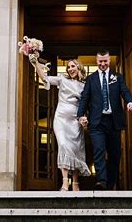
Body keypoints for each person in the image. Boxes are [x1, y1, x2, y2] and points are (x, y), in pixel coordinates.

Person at [77, 50, 132, 190]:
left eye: (105, 61)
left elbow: (124, 91)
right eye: (100, 61)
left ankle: (110, 184)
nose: (103, 64)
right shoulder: (91, 79)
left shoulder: (117, 77)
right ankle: (101, 181)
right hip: (97, 122)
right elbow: (85, 97)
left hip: (114, 122)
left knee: (115, 154)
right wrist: (81, 115)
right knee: (99, 150)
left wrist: (130, 102)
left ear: (109, 61)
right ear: (97, 62)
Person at [31, 57, 90, 191]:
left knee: (76, 150)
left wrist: (84, 118)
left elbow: (86, 103)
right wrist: (35, 63)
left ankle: (75, 183)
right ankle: (64, 182)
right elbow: (45, 78)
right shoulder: (62, 80)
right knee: (63, 145)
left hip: (75, 120)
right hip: (61, 118)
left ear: (78, 67)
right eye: (68, 67)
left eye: (73, 66)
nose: (70, 69)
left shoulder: (85, 85)